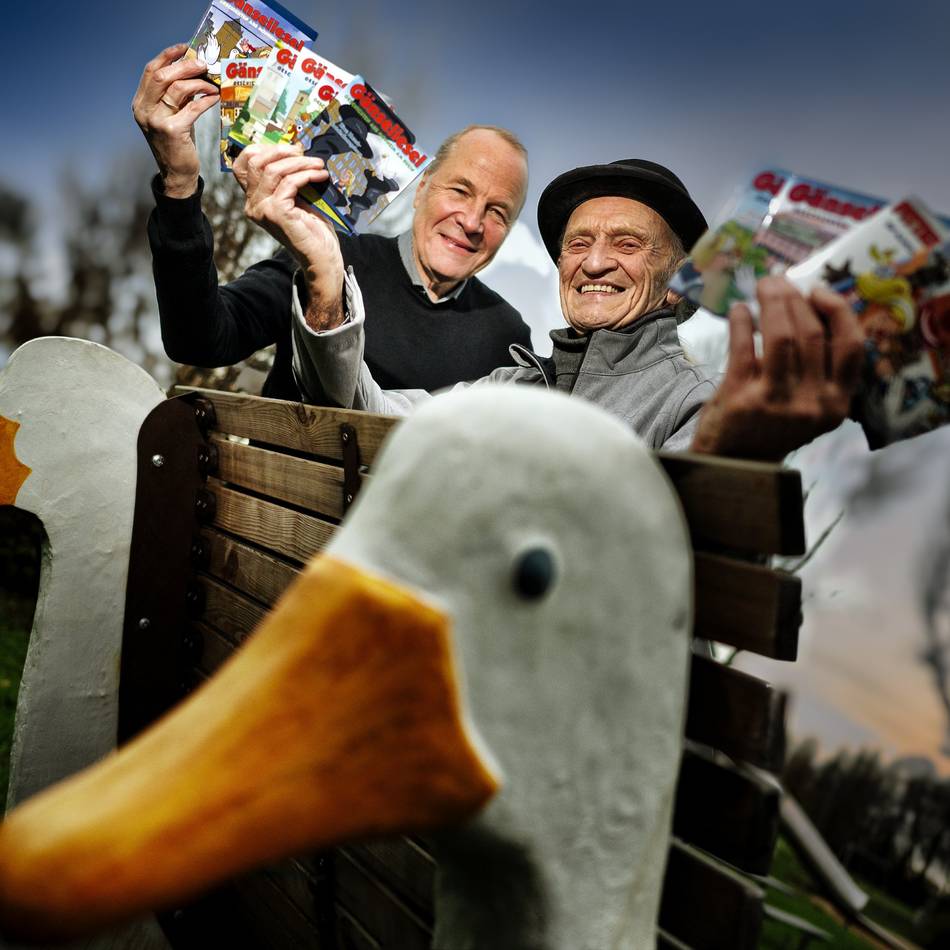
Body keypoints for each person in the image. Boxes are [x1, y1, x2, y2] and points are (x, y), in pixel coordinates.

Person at [287, 157, 864, 461]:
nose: (594, 263)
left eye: (628, 245)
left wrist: (728, 445)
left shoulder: (703, 406)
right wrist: (326, 277)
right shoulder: (509, 385)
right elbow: (367, 414)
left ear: (677, 286)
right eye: (578, 244)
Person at [132, 44, 532, 401]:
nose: (472, 221)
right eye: (460, 191)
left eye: (498, 212)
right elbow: (199, 340)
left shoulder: (507, 337)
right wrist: (179, 185)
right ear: (422, 188)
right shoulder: (327, 251)